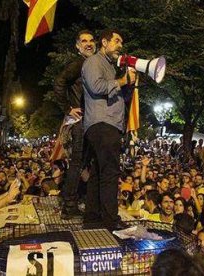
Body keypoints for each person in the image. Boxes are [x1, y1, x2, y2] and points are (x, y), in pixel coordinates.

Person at [82, 28, 136, 227]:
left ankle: (92, 217)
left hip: (107, 124)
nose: (120, 45)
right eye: (116, 41)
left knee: (98, 173)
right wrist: (122, 80)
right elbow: (97, 87)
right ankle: (111, 220)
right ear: (104, 42)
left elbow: (119, 96)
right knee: (110, 172)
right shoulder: (93, 62)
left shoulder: (110, 67)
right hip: (103, 124)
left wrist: (128, 83)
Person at [54, 29, 97, 219]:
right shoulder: (79, 63)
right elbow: (59, 82)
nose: (89, 43)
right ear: (78, 46)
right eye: (84, 41)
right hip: (80, 122)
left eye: (91, 40)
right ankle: (69, 205)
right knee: (77, 163)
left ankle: (76, 199)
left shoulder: (91, 64)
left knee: (84, 163)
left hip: (90, 121)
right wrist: (68, 108)